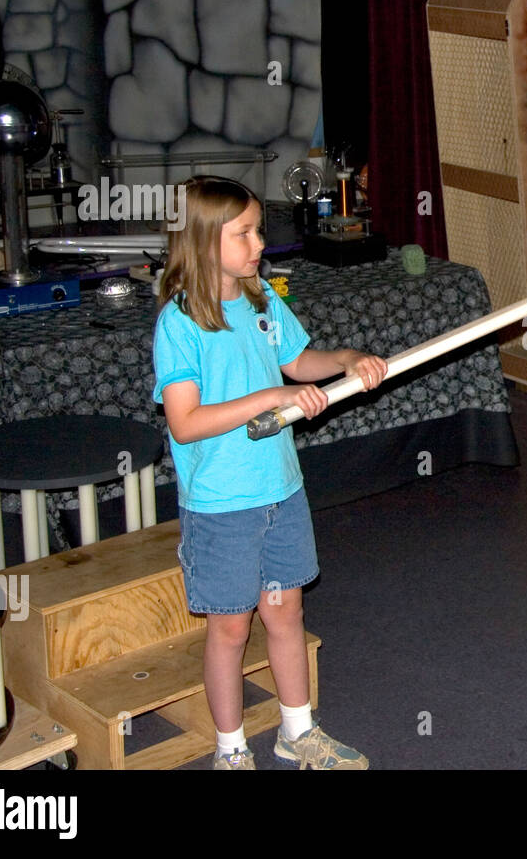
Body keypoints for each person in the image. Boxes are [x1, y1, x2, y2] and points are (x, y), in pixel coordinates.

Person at [152, 176, 387, 769]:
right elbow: (185, 422)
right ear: (204, 242)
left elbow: (298, 361)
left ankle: (297, 732)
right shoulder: (180, 323)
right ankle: (230, 751)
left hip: (281, 490)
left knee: (286, 613)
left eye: (258, 230)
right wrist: (268, 398)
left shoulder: (260, 300)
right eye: (245, 234)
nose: (260, 243)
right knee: (230, 631)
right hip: (222, 504)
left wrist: (344, 361)